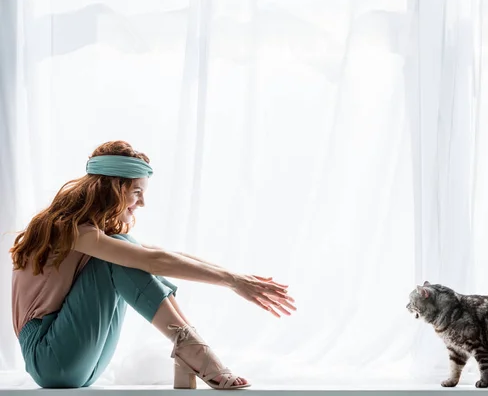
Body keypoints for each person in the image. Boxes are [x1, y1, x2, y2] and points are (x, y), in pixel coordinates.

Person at [10, 140, 296, 390]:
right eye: (136, 192)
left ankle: (189, 348)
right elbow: (152, 260)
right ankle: (192, 348)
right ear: (113, 189)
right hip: (48, 356)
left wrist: (235, 276)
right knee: (116, 258)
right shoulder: (70, 230)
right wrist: (232, 282)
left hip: (75, 362)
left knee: (124, 248)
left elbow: (160, 253)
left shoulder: (92, 235)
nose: (142, 203)